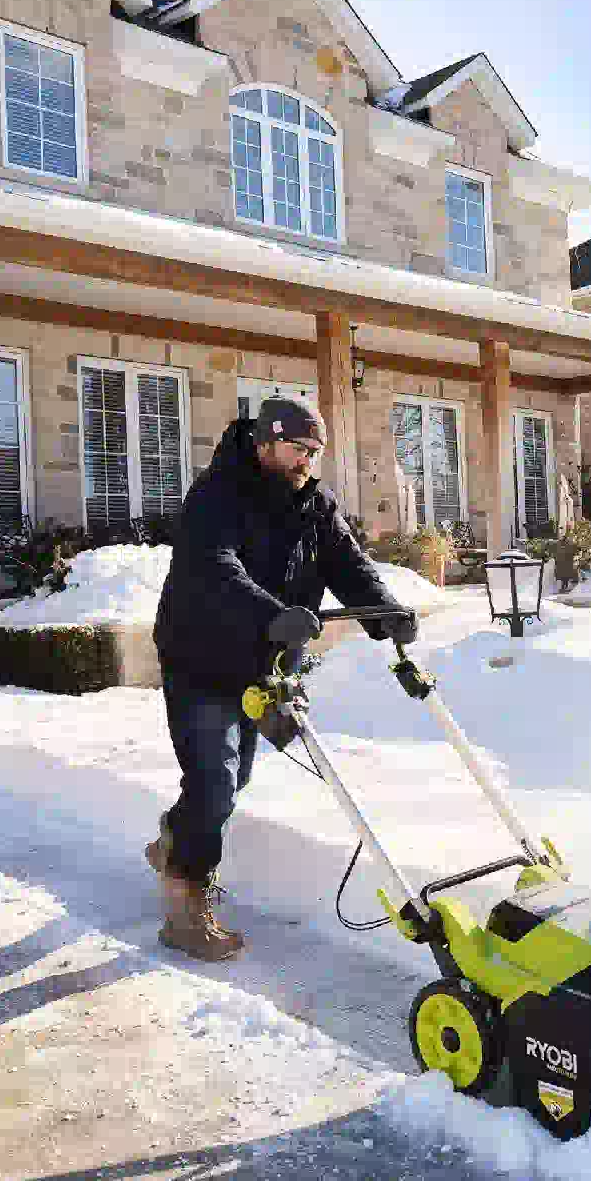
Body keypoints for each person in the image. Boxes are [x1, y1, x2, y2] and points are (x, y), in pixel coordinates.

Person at [146, 396, 418, 960]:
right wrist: (272, 614)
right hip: (201, 658)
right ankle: (186, 908)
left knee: (232, 778)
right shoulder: (216, 494)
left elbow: (348, 563)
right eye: (298, 449)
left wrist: (384, 611)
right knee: (215, 781)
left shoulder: (315, 502)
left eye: (314, 452)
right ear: (265, 442)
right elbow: (212, 568)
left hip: (264, 664)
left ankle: (177, 838)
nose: (307, 461)